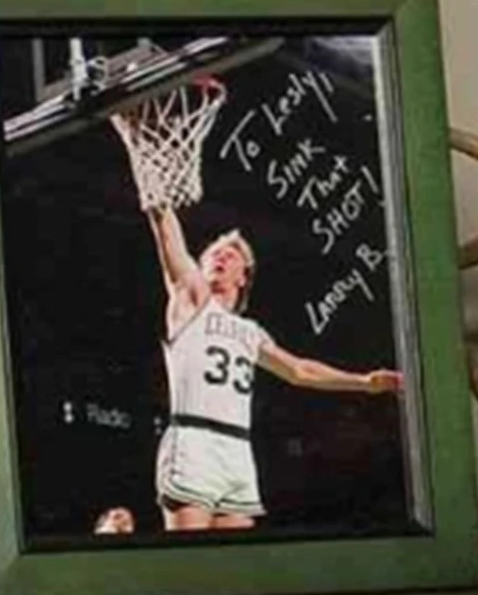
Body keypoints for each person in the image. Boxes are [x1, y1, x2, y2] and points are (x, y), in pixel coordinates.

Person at [120, 79, 404, 532]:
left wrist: (366, 383)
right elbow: (166, 231)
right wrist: (140, 149)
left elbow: (300, 370)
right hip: (192, 439)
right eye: (212, 253)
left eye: (230, 255)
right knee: (191, 564)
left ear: (244, 275)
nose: (218, 257)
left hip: (237, 450)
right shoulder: (191, 298)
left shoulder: (252, 332)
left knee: (240, 564)